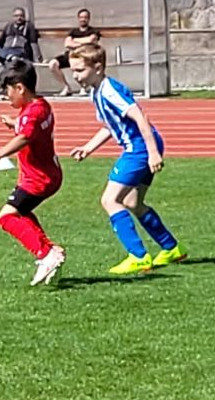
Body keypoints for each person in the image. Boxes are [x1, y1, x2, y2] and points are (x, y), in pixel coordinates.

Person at [67, 43, 187, 275]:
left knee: (110, 200)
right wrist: (88, 148)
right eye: (73, 71)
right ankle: (172, 248)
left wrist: (152, 152)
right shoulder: (96, 91)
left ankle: (138, 256)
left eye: (80, 70)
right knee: (133, 202)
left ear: (98, 67)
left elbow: (140, 117)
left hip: (139, 148)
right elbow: (110, 125)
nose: (75, 76)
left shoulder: (109, 90)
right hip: (144, 146)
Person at [0, 60, 66, 286]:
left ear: (20, 88)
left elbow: (26, 137)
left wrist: (0, 153)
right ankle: (50, 251)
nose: (5, 96)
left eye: (7, 90)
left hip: (38, 179)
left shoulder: (32, 114)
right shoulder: (41, 105)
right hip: (47, 174)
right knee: (21, 212)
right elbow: (30, 127)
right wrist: (15, 123)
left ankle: (46, 254)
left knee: (6, 217)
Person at [47, 8, 100, 96]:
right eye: (81, 17)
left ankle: (84, 87)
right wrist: (84, 42)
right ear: (78, 18)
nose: (83, 19)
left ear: (89, 19)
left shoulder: (93, 31)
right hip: (72, 55)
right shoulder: (73, 31)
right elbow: (67, 44)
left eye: (85, 17)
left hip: (85, 57)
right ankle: (66, 87)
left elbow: (91, 40)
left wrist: (75, 41)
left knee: (80, 65)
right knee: (53, 64)